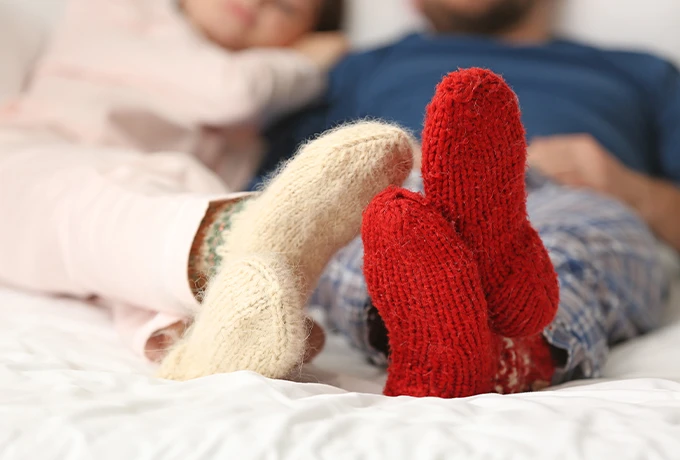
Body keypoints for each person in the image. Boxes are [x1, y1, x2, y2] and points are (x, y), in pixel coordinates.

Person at [249, 0, 680, 395]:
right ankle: (476, 349)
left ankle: (480, 348)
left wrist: (635, 191)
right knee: (385, 230)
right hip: (408, 192)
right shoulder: (353, 69)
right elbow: (267, 200)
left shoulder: (642, 72)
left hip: (577, 196)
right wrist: (375, 161)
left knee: (574, 243)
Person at [0, 0, 347, 361]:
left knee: (153, 228)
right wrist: (306, 63)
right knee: (98, 208)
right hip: (34, 156)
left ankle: (195, 334)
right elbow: (230, 92)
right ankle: (223, 252)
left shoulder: (248, 132)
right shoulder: (120, 11)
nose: (257, 2)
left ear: (301, 34)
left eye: (285, 8)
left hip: (152, 197)